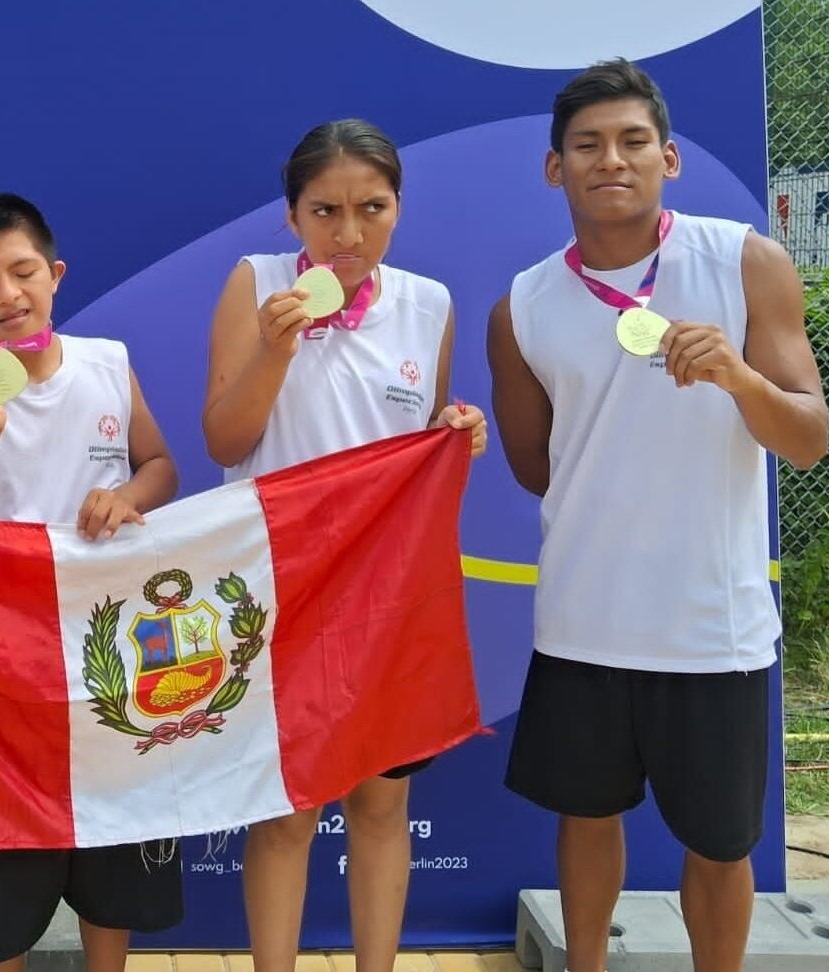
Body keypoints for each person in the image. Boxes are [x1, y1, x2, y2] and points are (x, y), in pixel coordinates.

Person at [487, 60, 828, 972]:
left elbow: (806, 437)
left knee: (721, 848)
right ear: (555, 168)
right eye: (588, 145)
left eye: (633, 141)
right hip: (585, 623)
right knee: (586, 821)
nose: (613, 160)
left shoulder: (745, 260)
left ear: (668, 157)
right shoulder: (521, 305)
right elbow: (534, 467)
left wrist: (738, 377)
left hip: (710, 628)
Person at [200, 119, 487, 972]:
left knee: (380, 808)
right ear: (291, 217)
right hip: (278, 591)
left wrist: (455, 427)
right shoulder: (256, 284)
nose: (348, 233)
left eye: (372, 208)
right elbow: (224, 439)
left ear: (399, 209)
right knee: (285, 811)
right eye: (325, 210)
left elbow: (419, 445)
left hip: (388, 599)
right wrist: (275, 351)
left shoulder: (428, 303)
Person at [0, 193, 181, 970]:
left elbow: (161, 465)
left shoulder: (107, 363)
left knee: (111, 863)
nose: (9, 296)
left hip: (108, 663)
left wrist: (127, 495)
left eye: (23, 272)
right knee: (5, 875)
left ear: (55, 274)